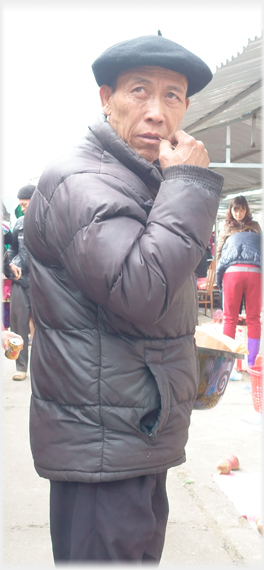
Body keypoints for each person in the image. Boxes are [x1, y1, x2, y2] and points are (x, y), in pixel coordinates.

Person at [24, 34, 223, 563]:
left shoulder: (138, 177)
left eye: (173, 96)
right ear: (105, 98)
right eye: (140, 91)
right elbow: (140, 289)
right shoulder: (82, 180)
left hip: (127, 429)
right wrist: (189, 185)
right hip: (103, 440)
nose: (156, 113)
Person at [216, 195, 262, 368]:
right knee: (254, 319)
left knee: (230, 319)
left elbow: (220, 254)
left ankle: (227, 366)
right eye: (236, 209)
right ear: (231, 210)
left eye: (242, 209)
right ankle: (251, 365)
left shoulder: (227, 228)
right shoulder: (255, 227)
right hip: (255, 273)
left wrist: (219, 279)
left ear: (246, 209)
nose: (239, 213)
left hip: (232, 273)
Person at [7, 184, 36, 380]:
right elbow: (12, 250)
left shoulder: (49, 222)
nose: (23, 208)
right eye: (20, 205)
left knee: (47, 326)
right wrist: (12, 265)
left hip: (43, 282)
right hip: (20, 280)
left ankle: (44, 369)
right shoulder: (18, 223)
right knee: (18, 324)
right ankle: (21, 367)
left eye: (25, 204)